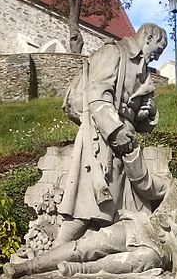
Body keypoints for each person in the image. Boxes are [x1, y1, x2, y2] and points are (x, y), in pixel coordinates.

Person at [3, 158, 177, 279]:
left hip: (167, 249)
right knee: (90, 243)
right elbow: (147, 184)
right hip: (145, 226)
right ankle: (26, 268)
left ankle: (79, 271)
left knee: (143, 260)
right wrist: (131, 153)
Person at [54, 23, 168, 245]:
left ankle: (83, 256)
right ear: (148, 37)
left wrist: (146, 113)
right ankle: (55, 252)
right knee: (90, 204)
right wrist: (115, 130)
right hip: (101, 137)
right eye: (159, 48)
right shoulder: (114, 52)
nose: (158, 55)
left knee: (114, 209)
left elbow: (139, 114)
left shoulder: (143, 69)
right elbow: (96, 93)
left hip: (125, 142)